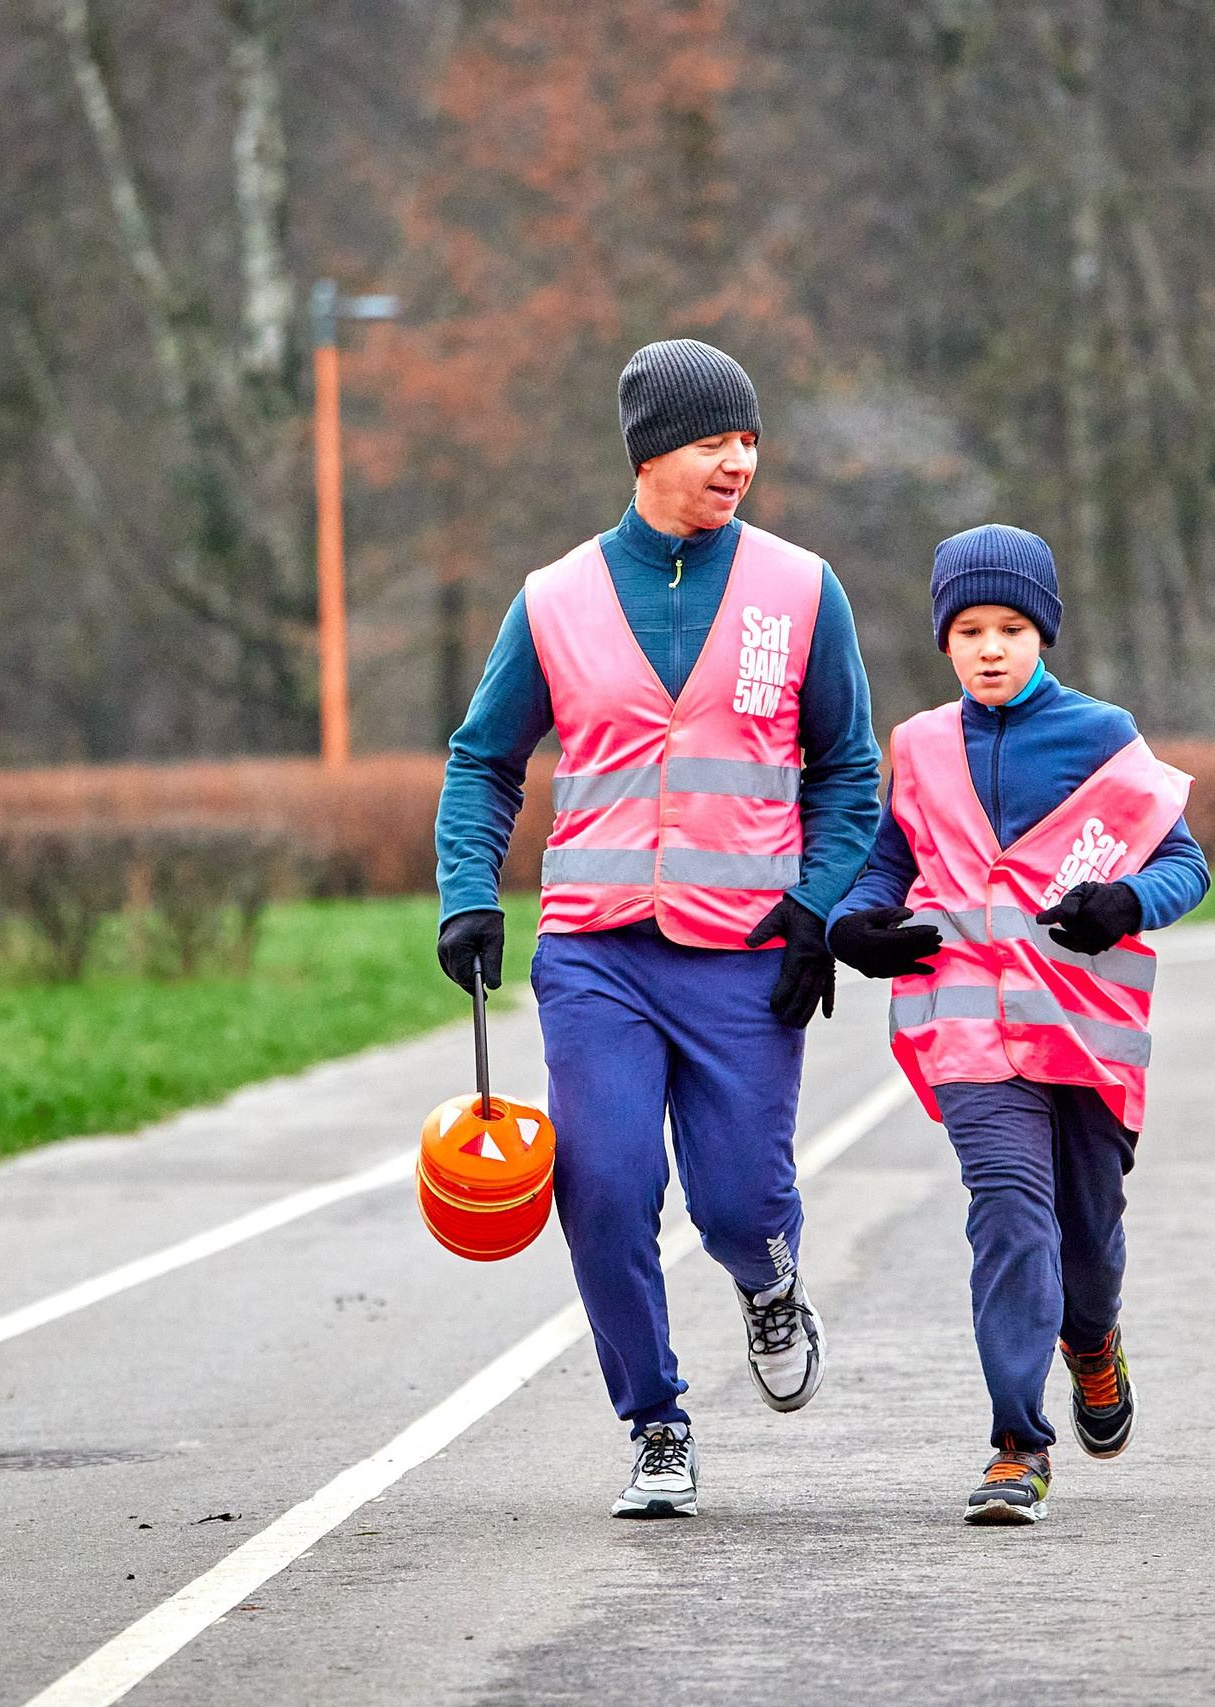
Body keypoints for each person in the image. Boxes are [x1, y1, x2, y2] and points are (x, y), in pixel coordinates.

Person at [433, 339, 882, 1518]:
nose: (738, 461)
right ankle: (656, 1424)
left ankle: (768, 1280)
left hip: (745, 956)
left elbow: (847, 772)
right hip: (595, 953)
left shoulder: (800, 588)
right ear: (648, 451)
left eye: (748, 440)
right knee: (607, 1188)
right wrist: (468, 893)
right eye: (711, 441)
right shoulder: (555, 600)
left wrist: (815, 908)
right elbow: (484, 760)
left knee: (736, 1200)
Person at [826, 523, 1208, 1525]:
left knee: (1085, 1238)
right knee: (1007, 1219)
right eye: (967, 631)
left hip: (1083, 1038)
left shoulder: (1100, 737)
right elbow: (883, 868)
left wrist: (1126, 903)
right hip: (970, 1039)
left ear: (1043, 636)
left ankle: (1092, 1341)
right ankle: (1014, 1443)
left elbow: (1184, 865)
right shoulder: (917, 746)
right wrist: (854, 927)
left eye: (1009, 629)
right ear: (942, 642)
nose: (989, 649)